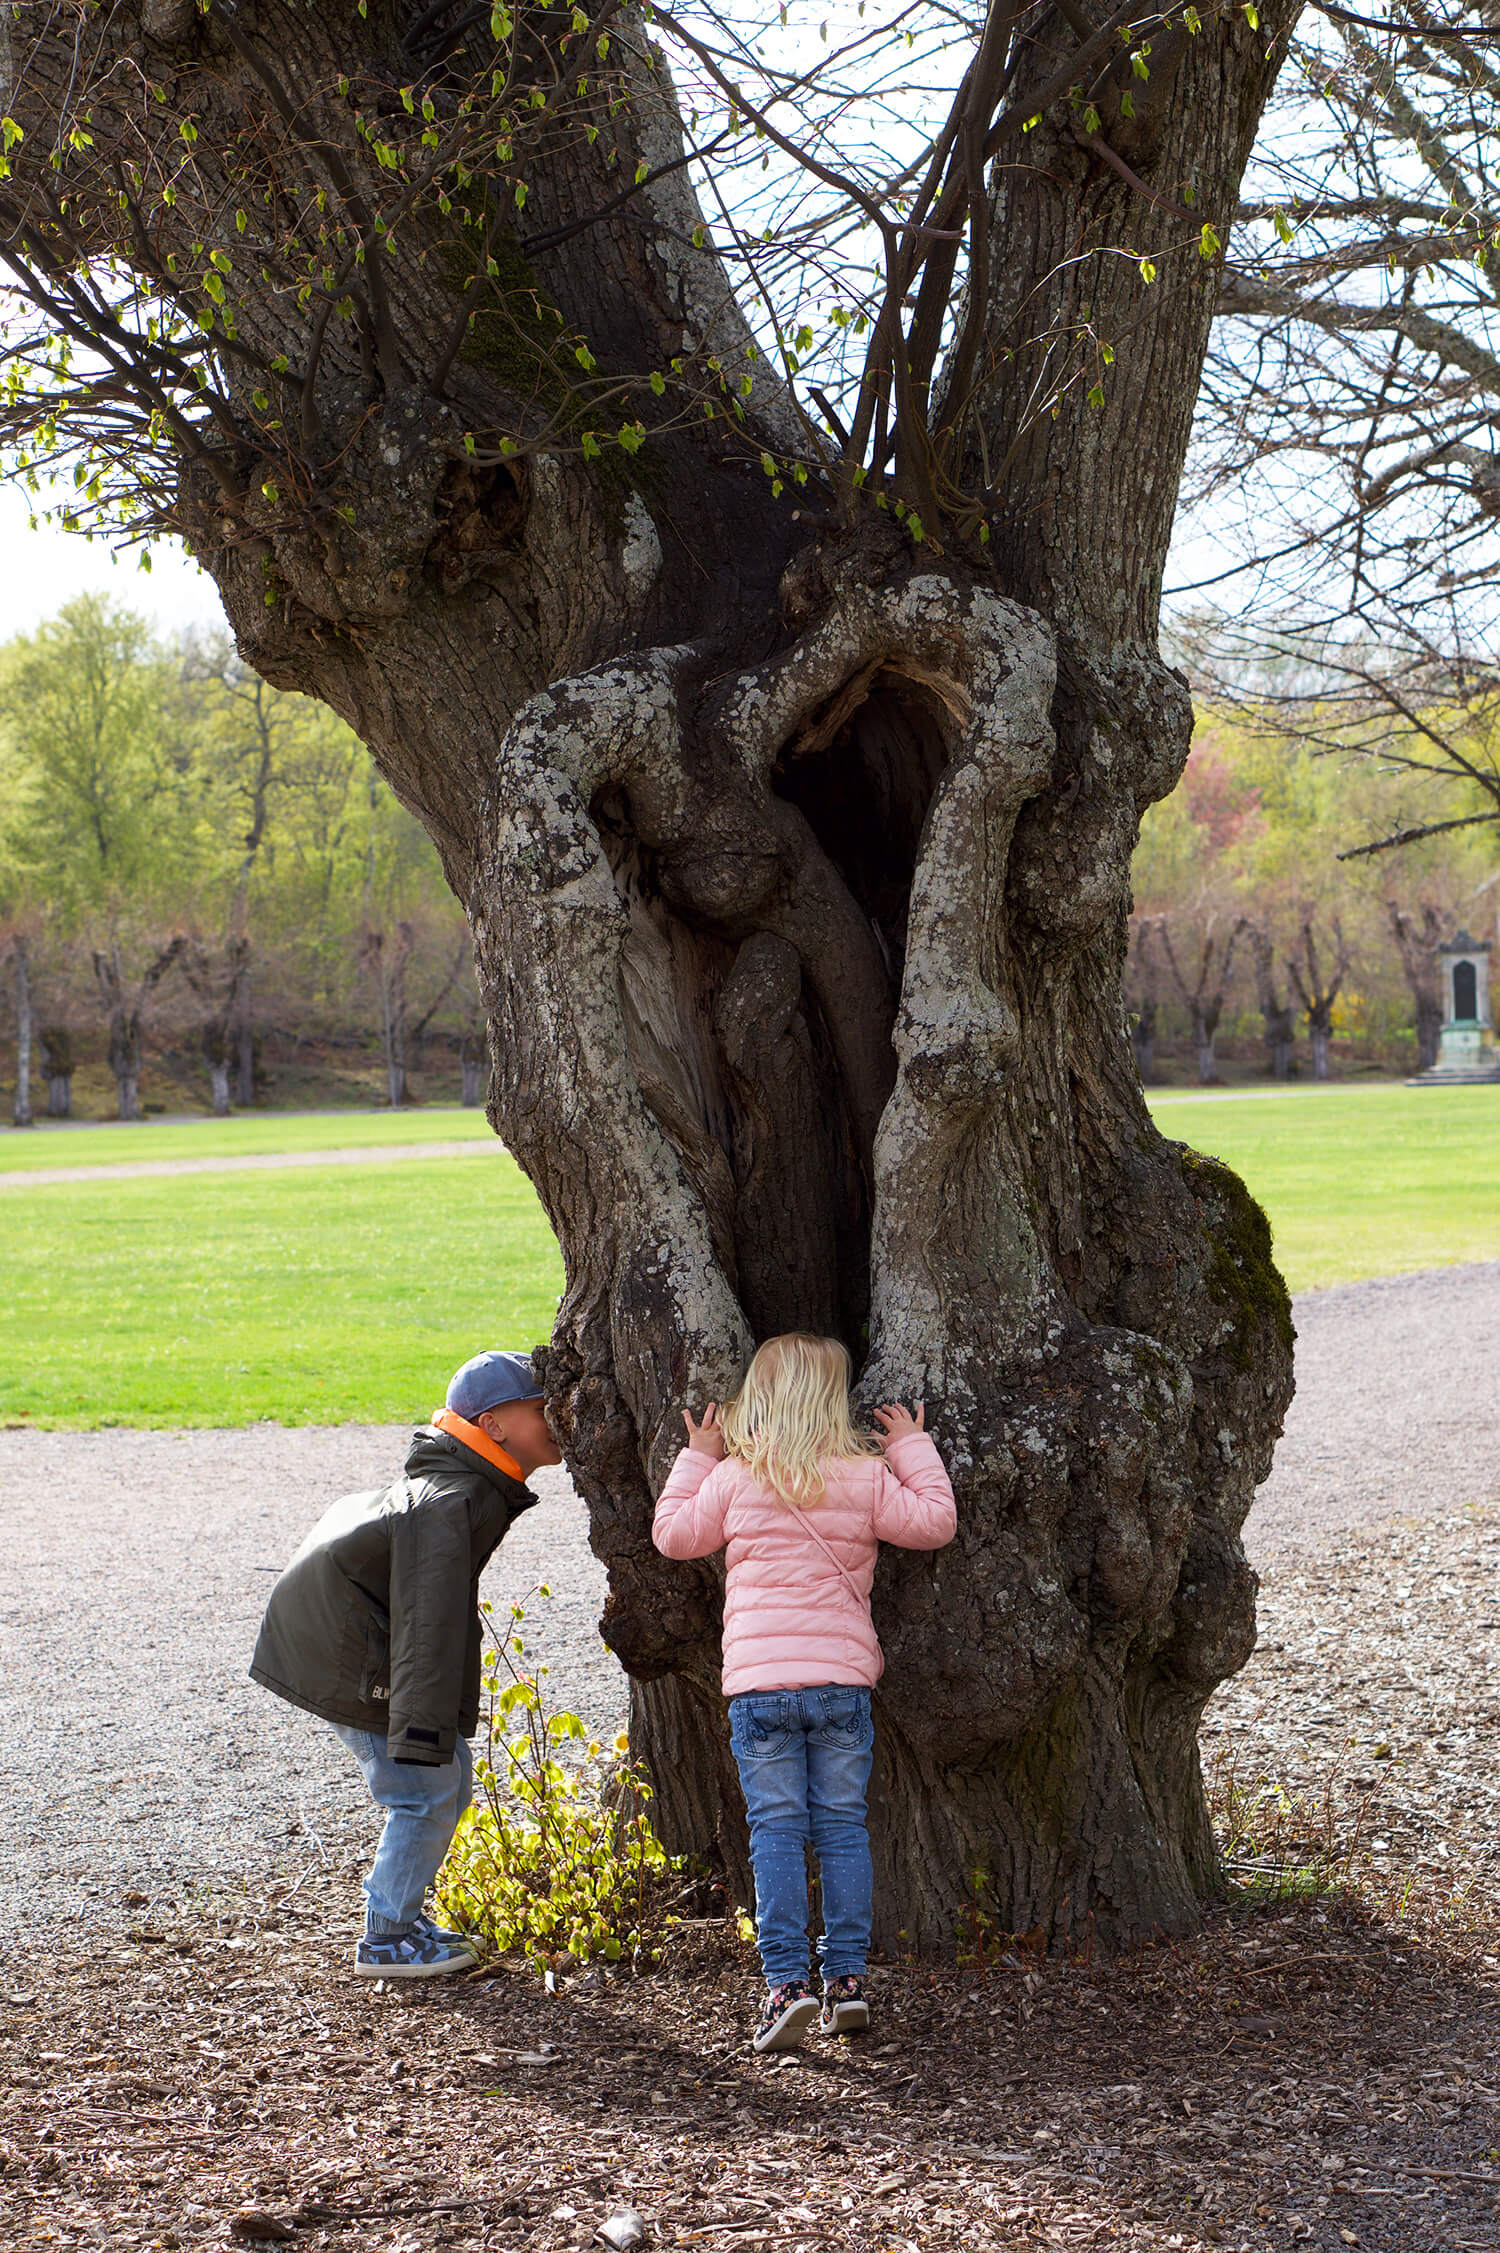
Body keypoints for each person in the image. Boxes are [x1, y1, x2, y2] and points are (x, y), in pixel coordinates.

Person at [652, 1332, 956, 2052]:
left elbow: (671, 1534)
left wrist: (699, 1452)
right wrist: (911, 1442)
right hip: (841, 1685)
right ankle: (845, 1981)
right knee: (844, 1827)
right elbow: (935, 1521)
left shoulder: (734, 1478)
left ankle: (786, 1985)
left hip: (760, 1691)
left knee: (777, 1833)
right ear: (834, 1399)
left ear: (755, 1397)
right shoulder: (863, 1474)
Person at [250, 1349, 562, 1979]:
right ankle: (387, 1938)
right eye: (541, 1409)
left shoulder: (467, 1483)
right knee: (424, 1788)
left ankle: (399, 1916)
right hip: (342, 1649)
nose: (558, 1420)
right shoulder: (448, 1502)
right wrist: (421, 1728)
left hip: (352, 1634)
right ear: (494, 1425)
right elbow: (428, 1626)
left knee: (444, 1780)